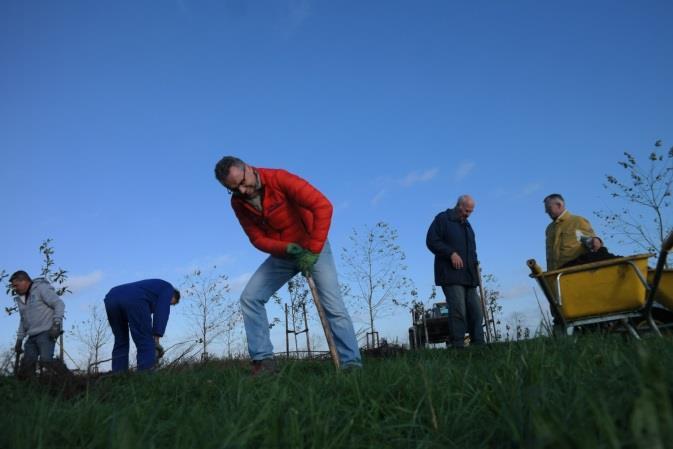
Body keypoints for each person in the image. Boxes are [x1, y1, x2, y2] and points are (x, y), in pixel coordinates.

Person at [214, 156, 361, 373]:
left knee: (333, 306)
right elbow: (256, 238)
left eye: (243, 183)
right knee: (250, 298)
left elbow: (323, 206)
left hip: (314, 246)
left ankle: (351, 364)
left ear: (248, 168)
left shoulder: (279, 178)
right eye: (234, 189)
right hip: (284, 252)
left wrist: (312, 249)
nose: (243, 191)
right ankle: (264, 362)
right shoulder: (238, 202)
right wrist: (286, 249)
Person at [426, 195, 484, 348]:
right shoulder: (442, 219)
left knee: (477, 311)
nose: (468, 214)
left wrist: (476, 268)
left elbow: (472, 251)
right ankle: (458, 346)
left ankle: (479, 345)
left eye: (471, 212)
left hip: (470, 277)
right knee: (459, 310)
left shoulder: (468, 226)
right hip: (451, 275)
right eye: (466, 210)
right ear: (459, 205)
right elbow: (431, 241)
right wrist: (450, 253)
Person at [103, 279, 180, 373]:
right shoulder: (168, 289)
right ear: (173, 295)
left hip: (111, 298)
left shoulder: (152, 288)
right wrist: (156, 339)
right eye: (170, 303)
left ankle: (119, 375)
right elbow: (162, 312)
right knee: (145, 341)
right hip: (135, 299)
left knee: (120, 340)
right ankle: (145, 376)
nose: (168, 305)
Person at [10, 270, 66, 375]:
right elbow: (23, 320)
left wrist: (56, 324)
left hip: (47, 332)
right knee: (27, 365)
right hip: (31, 335)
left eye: (16, 285)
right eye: (13, 287)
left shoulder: (41, 288)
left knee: (46, 361)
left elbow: (59, 304)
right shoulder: (21, 299)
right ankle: (31, 387)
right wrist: (19, 339)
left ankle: (67, 378)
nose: (15, 289)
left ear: (24, 281)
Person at [543, 193, 601, 271]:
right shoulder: (549, 229)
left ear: (559, 205)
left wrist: (595, 241)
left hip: (575, 274)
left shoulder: (578, 221)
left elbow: (591, 242)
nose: (546, 211)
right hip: (555, 276)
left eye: (548, 208)